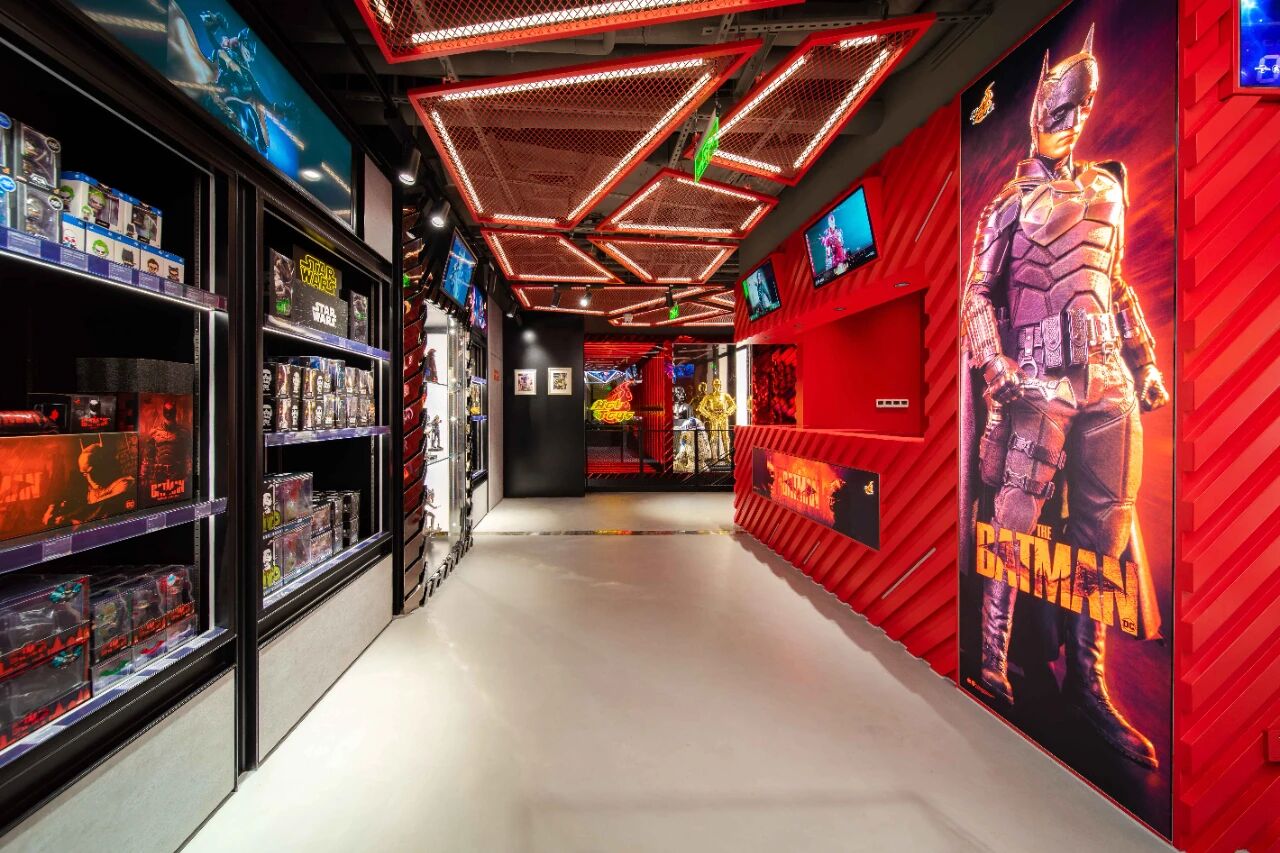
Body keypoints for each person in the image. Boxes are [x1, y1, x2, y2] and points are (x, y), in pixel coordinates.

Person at [961, 25, 1168, 769]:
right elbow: (976, 295)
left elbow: (1117, 286)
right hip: (1037, 381)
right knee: (1013, 524)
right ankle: (991, 657)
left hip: (1107, 379)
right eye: (1060, 108)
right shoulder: (1006, 205)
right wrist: (997, 367)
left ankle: (1089, 684)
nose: (1072, 120)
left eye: (1080, 108)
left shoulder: (1108, 189)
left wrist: (1145, 361)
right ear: (1038, 110)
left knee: (1104, 537)